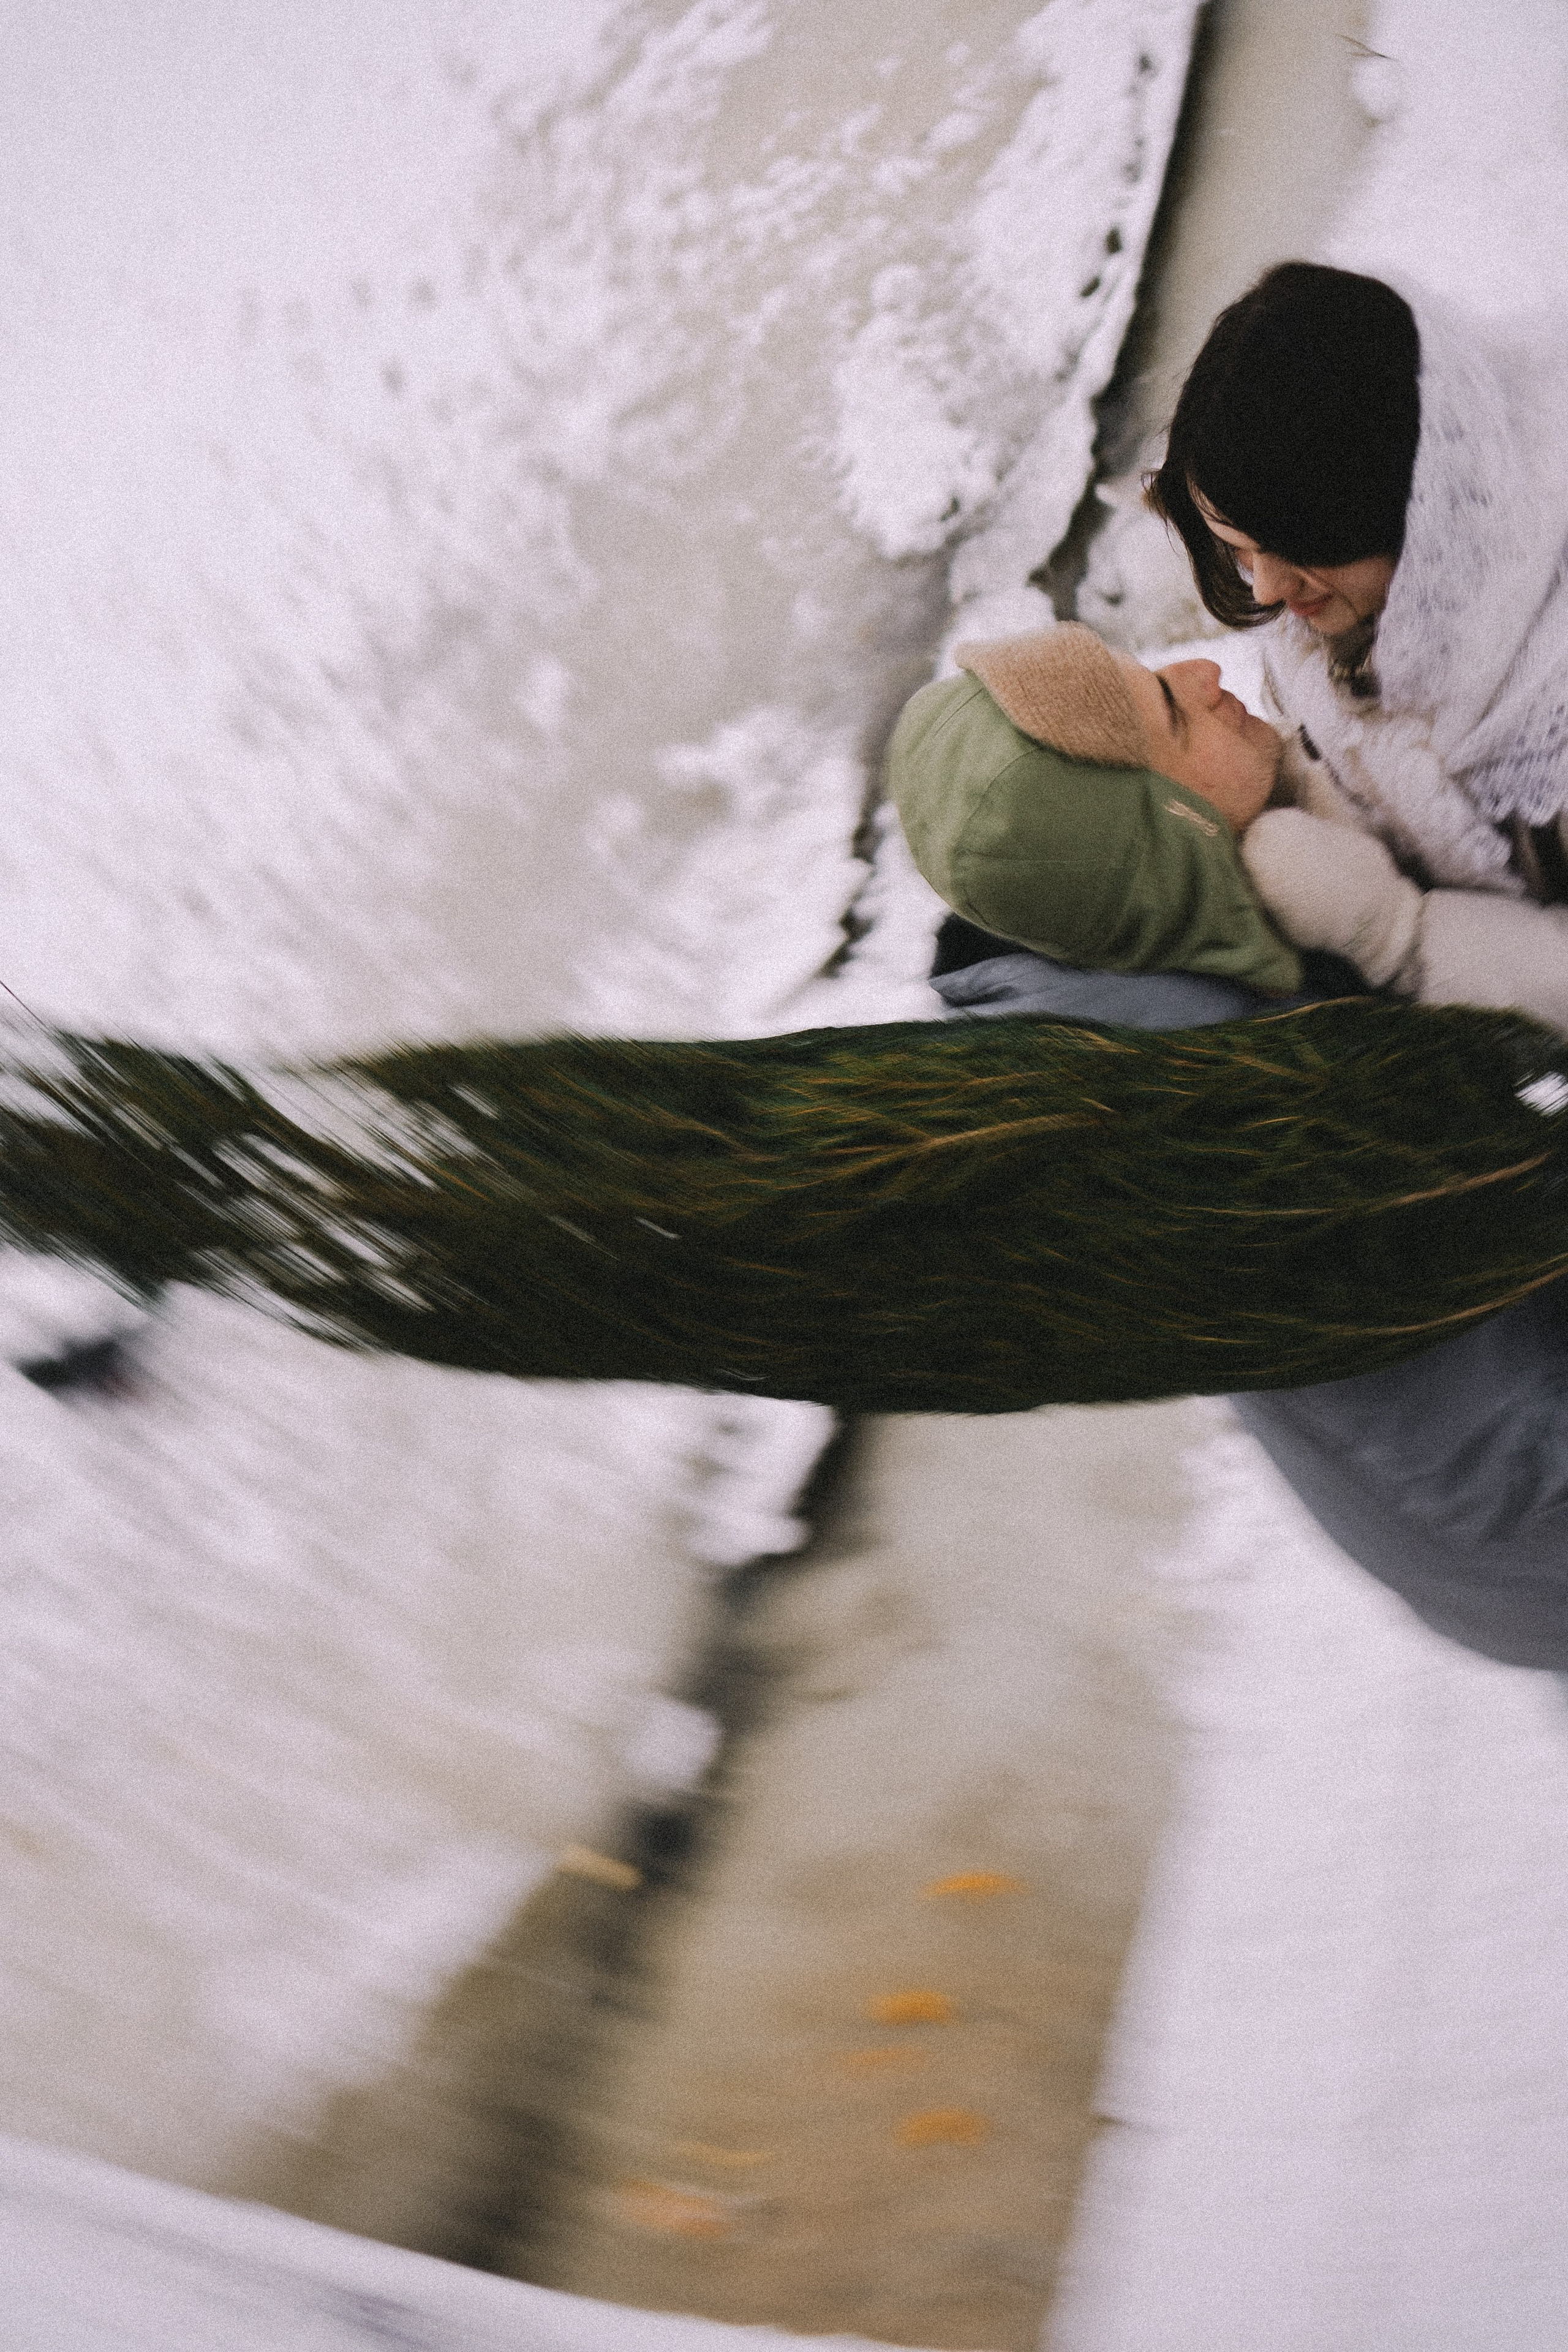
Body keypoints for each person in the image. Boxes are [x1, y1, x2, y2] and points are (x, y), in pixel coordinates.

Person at [888, 619, 1568, 1670]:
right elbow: (1509, 1464)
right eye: (1164, 708)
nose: (1204, 669)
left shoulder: (1156, 974)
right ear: (1154, 833)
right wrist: (1395, 933)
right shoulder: (1240, 1134)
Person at [1147, 260, 1568, 908]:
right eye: (1239, 552)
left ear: (1408, 503)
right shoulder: (1315, 646)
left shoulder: (1546, 721)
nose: (1265, 590)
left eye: (1294, 546)